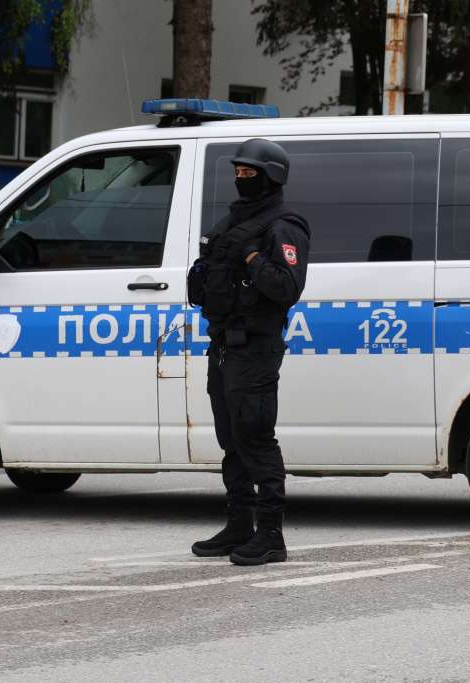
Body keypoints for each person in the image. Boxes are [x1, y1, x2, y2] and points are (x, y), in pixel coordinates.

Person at [186, 138, 311, 566]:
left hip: (256, 348)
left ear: (270, 176)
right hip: (223, 344)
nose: (241, 179)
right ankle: (239, 525)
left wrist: (254, 257)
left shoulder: (284, 226)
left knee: (255, 438)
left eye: (249, 173)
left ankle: (271, 535)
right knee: (231, 440)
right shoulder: (234, 222)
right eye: (238, 173)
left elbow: (287, 287)